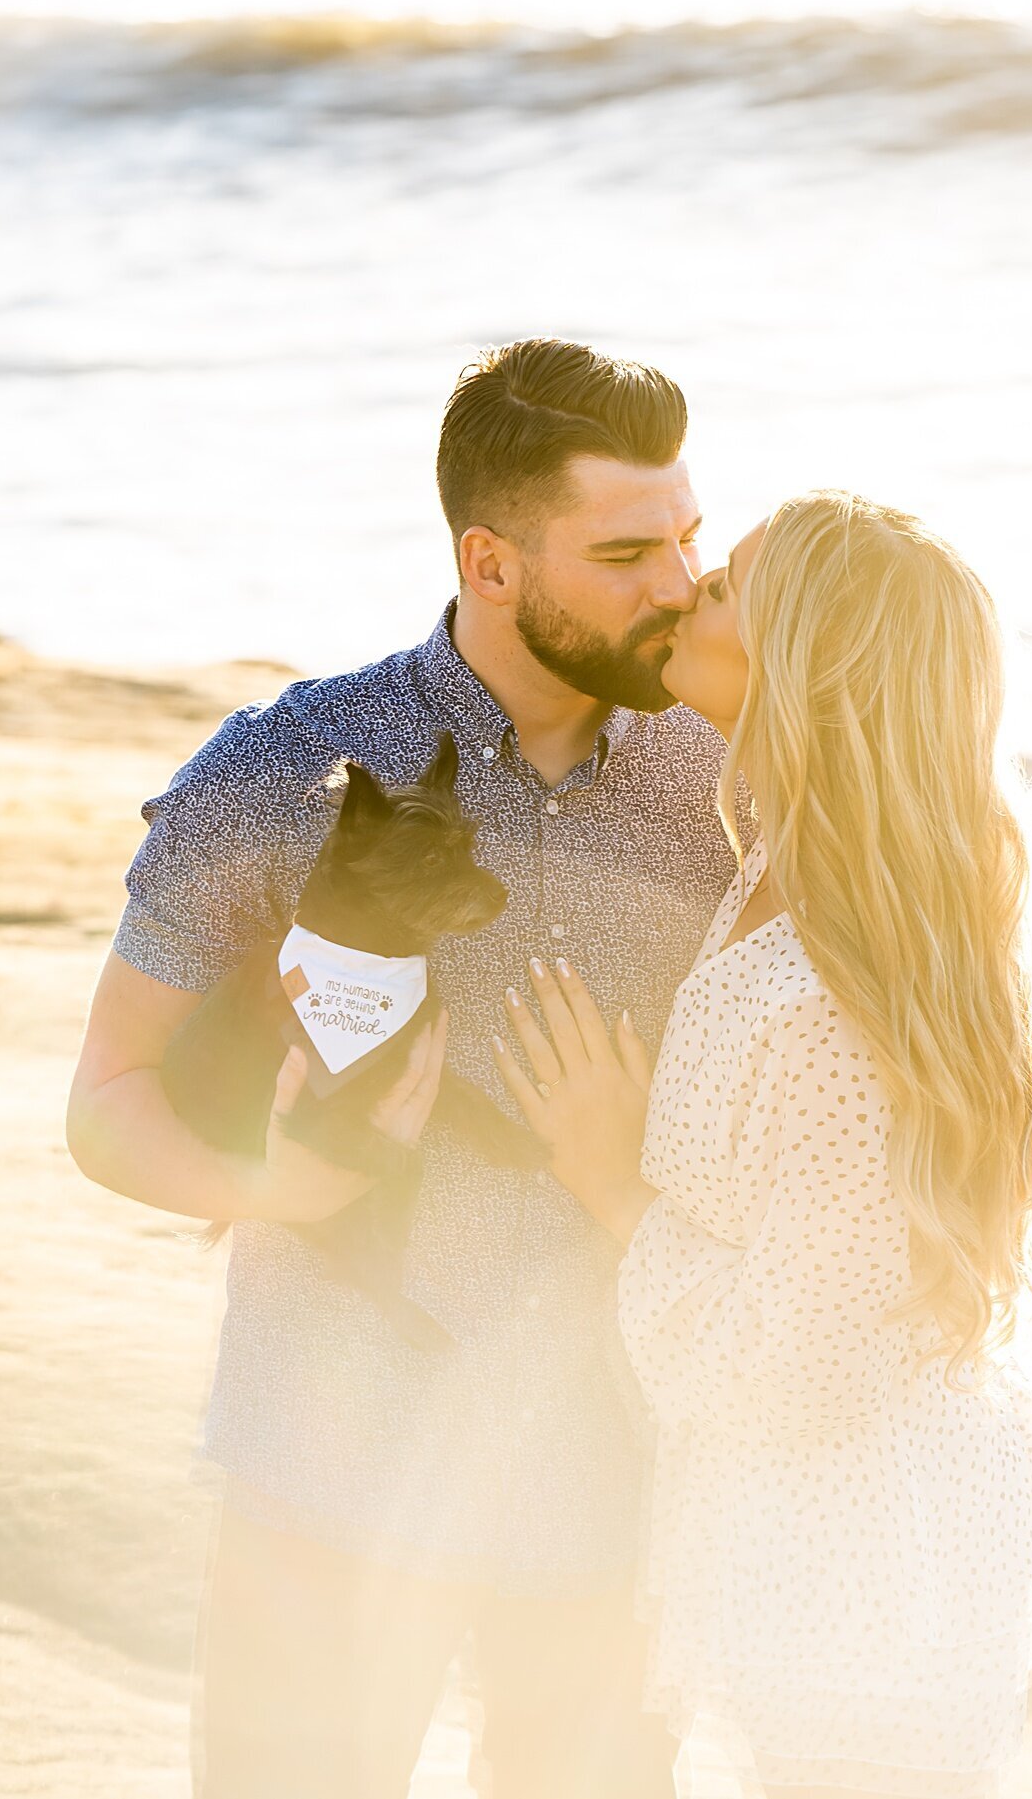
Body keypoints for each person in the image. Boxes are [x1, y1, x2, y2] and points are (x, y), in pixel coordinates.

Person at [65, 338, 752, 1799]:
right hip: (329, 1464)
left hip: (613, 1474)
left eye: (689, 537)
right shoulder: (280, 767)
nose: (681, 583)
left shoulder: (732, 778)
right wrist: (279, 1179)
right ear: (490, 562)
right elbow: (106, 1098)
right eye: (627, 550)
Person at [492, 491, 1032, 1798]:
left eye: (723, 587)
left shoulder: (831, 999)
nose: (682, 593)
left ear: (805, 662)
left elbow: (802, 1362)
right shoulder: (775, 866)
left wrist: (616, 1186)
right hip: (831, 1539)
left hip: (870, 1567)